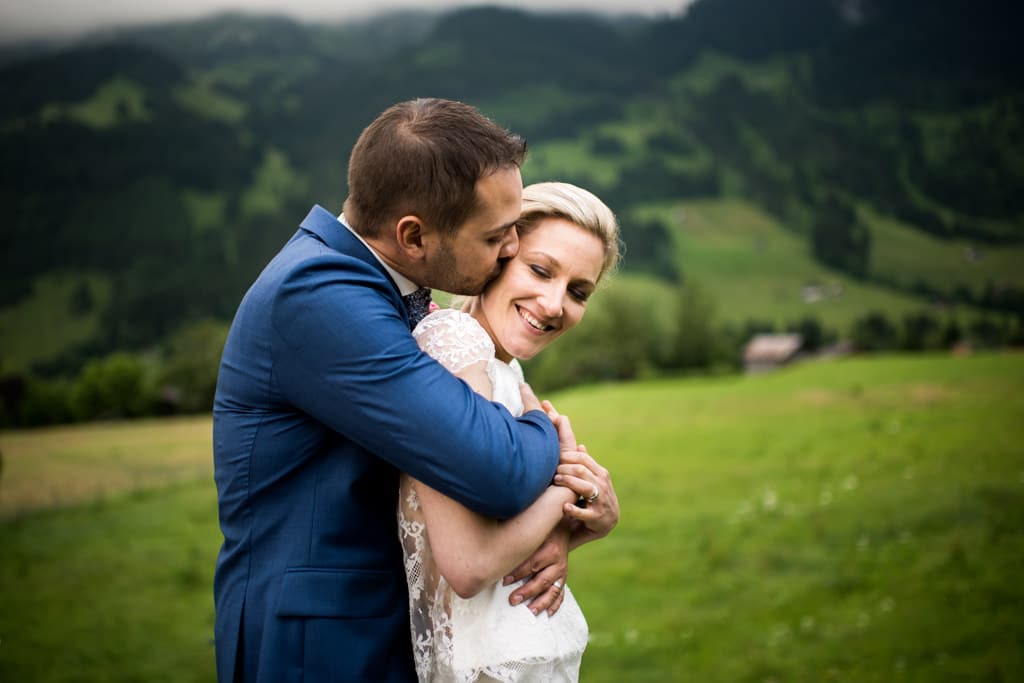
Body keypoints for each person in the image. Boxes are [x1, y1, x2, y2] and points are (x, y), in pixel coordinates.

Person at [212, 99, 617, 682]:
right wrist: (554, 445)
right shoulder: (317, 293)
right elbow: (492, 467)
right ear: (413, 235)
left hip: (381, 628)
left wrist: (567, 529)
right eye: (496, 236)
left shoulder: (380, 289)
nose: (510, 247)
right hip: (317, 646)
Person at [400, 182, 622, 681]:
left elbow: (509, 545)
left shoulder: (506, 370)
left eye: (578, 292)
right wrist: (566, 496)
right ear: (498, 254)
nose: (554, 304)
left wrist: (575, 529)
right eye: (540, 270)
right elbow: (469, 565)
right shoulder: (454, 345)